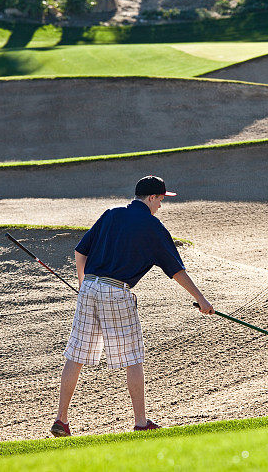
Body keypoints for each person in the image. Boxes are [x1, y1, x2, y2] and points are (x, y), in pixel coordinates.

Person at [50, 175, 214, 437]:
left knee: (76, 355)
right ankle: (140, 421)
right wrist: (201, 299)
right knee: (133, 357)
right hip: (116, 291)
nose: (161, 205)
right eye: (160, 200)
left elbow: (80, 252)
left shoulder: (111, 214)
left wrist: (83, 285)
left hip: (90, 287)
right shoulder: (153, 227)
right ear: (151, 198)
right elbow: (176, 271)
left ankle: (61, 419)